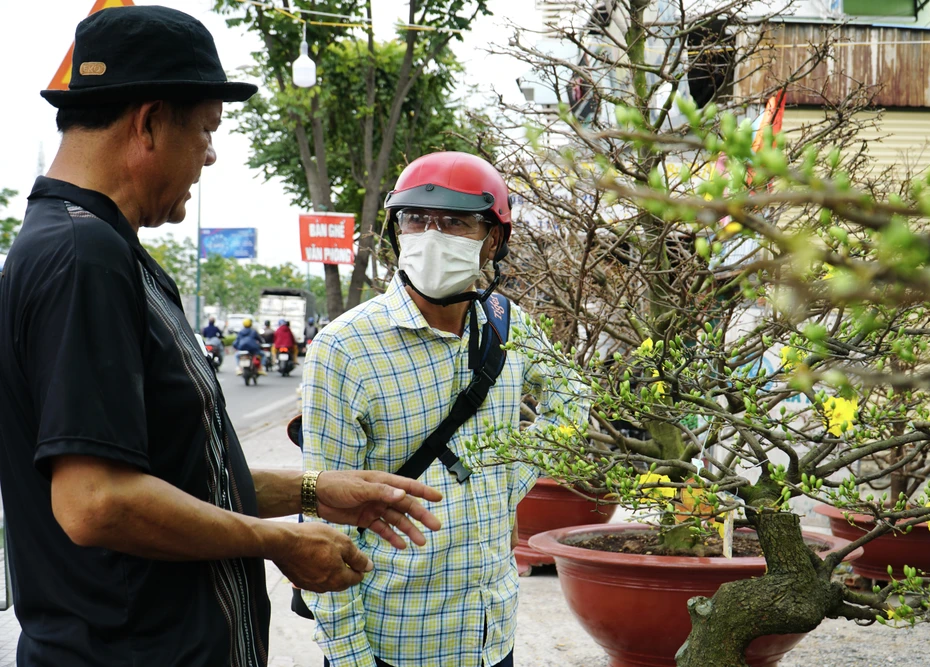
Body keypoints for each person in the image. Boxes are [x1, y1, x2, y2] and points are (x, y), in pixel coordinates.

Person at [0, 7, 443, 667]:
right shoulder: (82, 256)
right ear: (150, 122)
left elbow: (178, 475)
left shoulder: (93, 248)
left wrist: (315, 490)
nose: (210, 153)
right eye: (207, 128)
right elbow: (96, 502)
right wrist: (277, 541)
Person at [301, 152, 587, 667]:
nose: (431, 236)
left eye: (455, 221)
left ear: (492, 241)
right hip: (394, 640)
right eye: (416, 219)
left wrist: (509, 481)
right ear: (398, 230)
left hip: (490, 634)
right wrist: (349, 657)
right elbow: (324, 522)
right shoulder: (344, 348)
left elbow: (573, 398)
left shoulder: (508, 324)